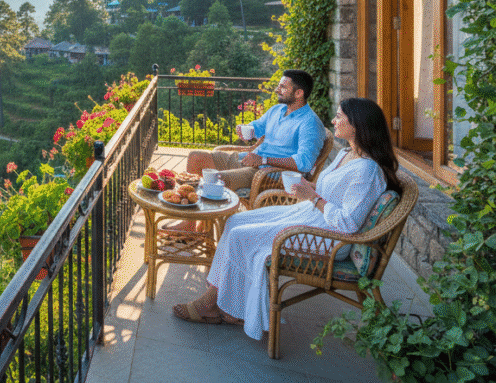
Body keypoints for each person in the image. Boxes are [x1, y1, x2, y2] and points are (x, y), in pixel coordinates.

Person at [172, 97, 402, 341]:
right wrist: (311, 188)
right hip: (311, 215)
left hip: (327, 238)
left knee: (241, 235)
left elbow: (349, 223)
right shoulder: (348, 153)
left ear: (356, 125)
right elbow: (336, 194)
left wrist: (312, 198)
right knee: (235, 222)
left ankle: (212, 305)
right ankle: (229, 304)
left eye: (339, 116)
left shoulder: (367, 170)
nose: (333, 120)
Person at [171, 70, 326, 232]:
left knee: (215, 179)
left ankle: (208, 230)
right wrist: (247, 130)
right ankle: (190, 224)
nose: (277, 90)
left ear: (299, 93)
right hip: (250, 159)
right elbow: (257, 127)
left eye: (283, 87)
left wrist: (264, 160)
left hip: (269, 174)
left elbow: (304, 164)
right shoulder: (278, 110)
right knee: (196, 157)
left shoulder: (310, 124)